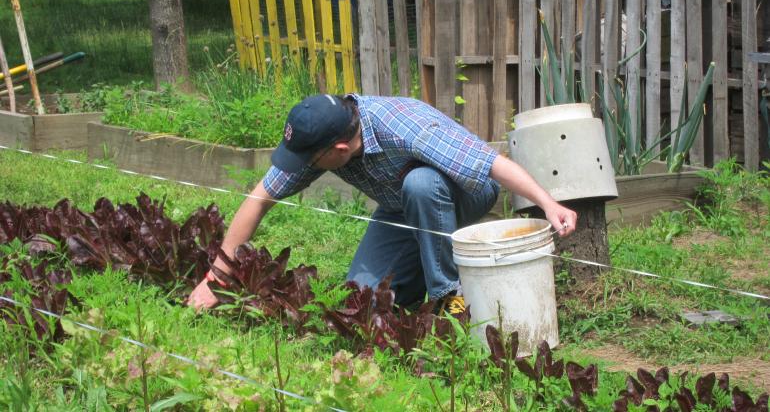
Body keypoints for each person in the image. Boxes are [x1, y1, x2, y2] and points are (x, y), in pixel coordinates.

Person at [188, 94, 577, 312]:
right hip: (401, 209)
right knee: (364, 300)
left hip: (467, 193)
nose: (301, 169)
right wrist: (216, 277)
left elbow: (492, 164)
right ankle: (414, 297)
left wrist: (547, 203)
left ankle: (449, 298)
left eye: (308, 161)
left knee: (422, 184)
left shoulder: (403, 127)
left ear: (339, 149)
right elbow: (258, 199)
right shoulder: (326, 140)